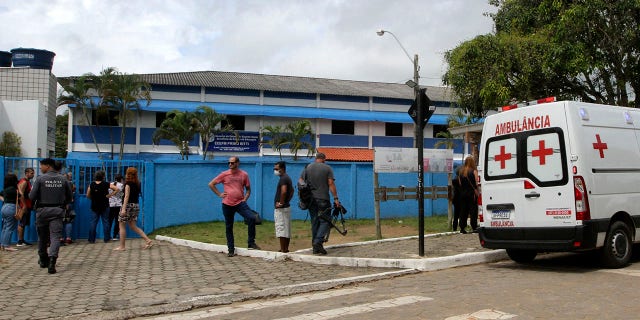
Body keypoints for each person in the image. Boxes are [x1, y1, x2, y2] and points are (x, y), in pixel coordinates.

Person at [208, 156, 260, 257]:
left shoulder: (244, 174)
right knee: (229, 226)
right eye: (229, 163)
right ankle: (231, 249)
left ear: (238, 163)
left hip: (240, 203)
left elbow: (248, 189)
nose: (230, 165)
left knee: (252, 218)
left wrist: (245, 198)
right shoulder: (224, 174)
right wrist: (219, 194)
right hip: (227, 204)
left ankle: (251, 242)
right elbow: (211, 184)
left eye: (232, 163)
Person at [29, 158, 73, 274]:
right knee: (55, 237)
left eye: (41, 166)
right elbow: (69, 197)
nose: (40, 168)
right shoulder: (63, 180)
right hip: (57, 211)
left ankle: (43, 259)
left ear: (48, 166)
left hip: (42, 211)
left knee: (42, 237)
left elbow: (32, 196)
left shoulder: (40, 179)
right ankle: (52, 262)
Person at [299, 152, 341, 255]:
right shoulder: (327, 168)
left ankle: (315, 247)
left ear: (315, 158)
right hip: (323, 199)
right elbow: (330, 183)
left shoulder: (308, 167)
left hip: (310, 200)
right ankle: (318, 242)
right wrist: (336, 198)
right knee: (326, 221)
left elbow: (300, 180)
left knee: (315, 221)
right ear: (324, 159)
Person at [113, 167, 153, 251]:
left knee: (121, 225)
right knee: (133, 226)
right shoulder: (137, 184)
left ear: (128, 174)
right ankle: (148, 240)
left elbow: (126, 196)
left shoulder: (128, 184)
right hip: (135, 206)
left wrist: (123, 209)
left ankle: (122, 246)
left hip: (127, 206)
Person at [273, 161, 293, 253]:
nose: (275, 171)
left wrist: (281, 203)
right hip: (286, 207)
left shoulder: (283, 179)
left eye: (277, 169)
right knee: (286, 229)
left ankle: (283, 249)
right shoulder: (287, 178)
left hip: (281, 209)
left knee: (281, 228)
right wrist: (287, 201)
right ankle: (285, 248)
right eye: (274, 169)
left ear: (282, 169)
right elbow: (292, 191)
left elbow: (284, 191)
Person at [86, 170, 110, 243]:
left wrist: (92, 198)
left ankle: (91, 239)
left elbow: (87, 195)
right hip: (105, 205)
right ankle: (106, 239)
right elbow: (117, 189)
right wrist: (109, 195)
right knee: (105, 222)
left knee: (93, 222)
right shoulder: (106, 184)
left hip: (95, 206)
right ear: (103, 176)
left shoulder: (92, 184)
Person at [458, 156, 479, 234]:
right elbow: (477, 183)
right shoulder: (474, 171)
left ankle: (462, 228)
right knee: (473, 210)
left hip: (463, 194)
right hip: (471, 194)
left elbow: (460, 183)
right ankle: (474, 227)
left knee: (463, 210)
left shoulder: (461, 171)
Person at [16, 167, 35, 246]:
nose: (33, 174)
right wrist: (24, 206)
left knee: (24, 223)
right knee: (22, 223)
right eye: (31, 173)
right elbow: (21, 194)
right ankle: (20, 241)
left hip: (27, 205)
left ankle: (22, 240)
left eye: (33, 173)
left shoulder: (27, 181)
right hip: (24, 206)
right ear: (26, 173)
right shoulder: (24, 182)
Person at [0, 173, 19, 251]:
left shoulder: (5, 189)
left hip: (4, 207)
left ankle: (2, 245)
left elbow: (0, 195)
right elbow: (20, 196)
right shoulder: (14, 190)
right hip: (11, 207)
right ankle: (7, 245)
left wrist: (4, 200)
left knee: (5, 227)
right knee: (10, 227)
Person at [107, 174, 124, 241]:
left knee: (109, 220)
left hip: (110, 204)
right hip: (118, 205)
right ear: (121, 179)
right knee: (117, 221)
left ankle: (107, 235)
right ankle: (114, 235)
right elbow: (121, 195)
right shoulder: (121, 185)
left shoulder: (110, 184)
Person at [61, 172, 76, 244]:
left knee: (59, 221)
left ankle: (60, 238)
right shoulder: (70, 184)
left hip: (60, 204)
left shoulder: (58, 184)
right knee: (68, 221)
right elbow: (73, 189)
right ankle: (68, 238)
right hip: (68, 204)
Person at [451, 165, 462, 231]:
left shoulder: (454, 180)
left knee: (456, 214)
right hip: (460, 198)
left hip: (455, 199)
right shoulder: (461, 180)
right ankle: (461, 227)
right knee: (461, 214)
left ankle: (454, 228)